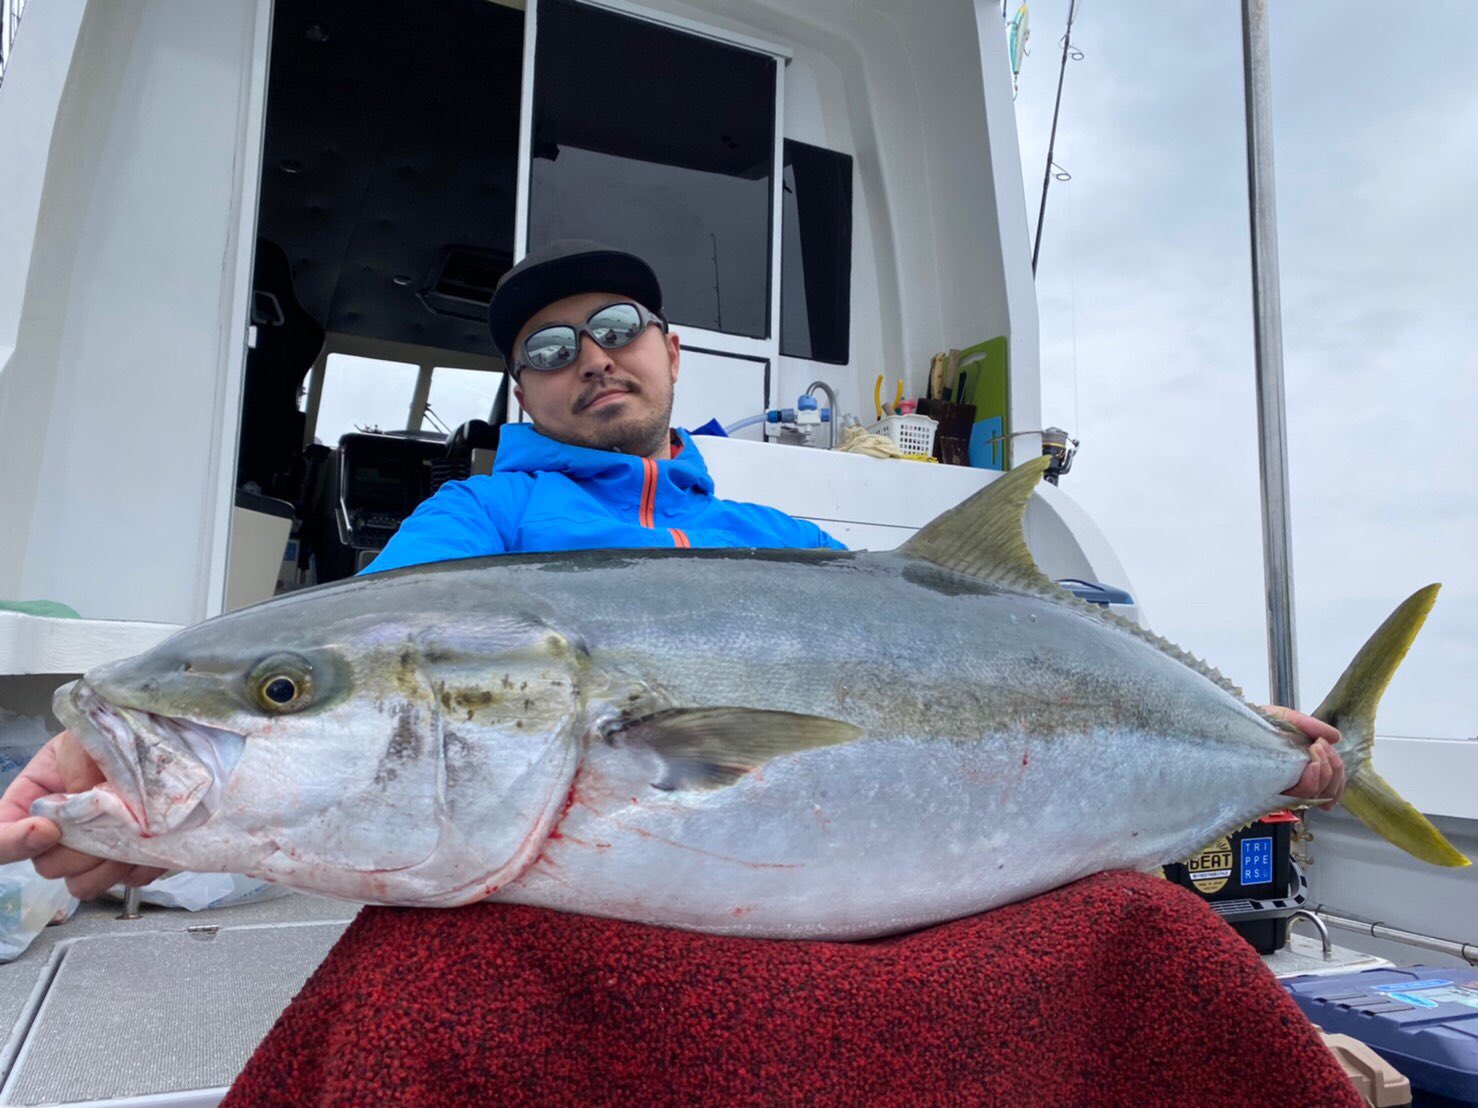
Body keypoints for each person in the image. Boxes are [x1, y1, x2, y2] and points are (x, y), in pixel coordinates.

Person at [0, 240, 1345, 899]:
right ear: (521, 395)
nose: (591, 357)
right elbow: (382, 781)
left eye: (619, 328)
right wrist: (157, 847)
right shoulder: (471, 543)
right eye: (548, 349)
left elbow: (995, 675)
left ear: (668, 354)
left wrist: (1264, 751)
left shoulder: (795, 553)